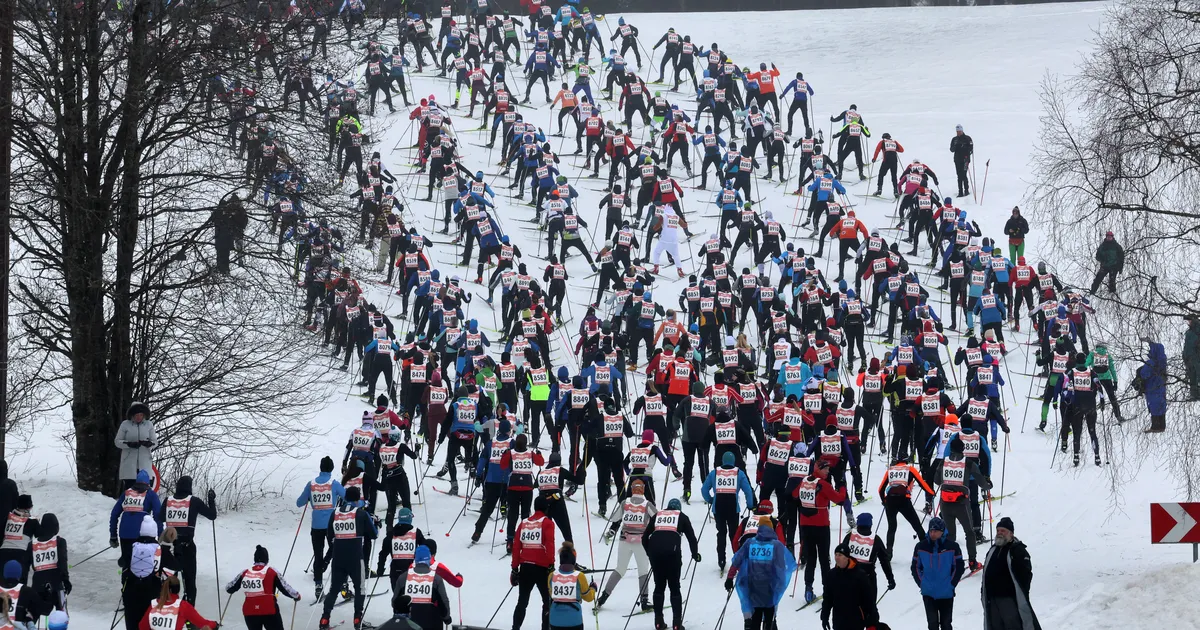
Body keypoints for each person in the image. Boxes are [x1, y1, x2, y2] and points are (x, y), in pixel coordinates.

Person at [319, 486, 378, 630]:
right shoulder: (361, 513)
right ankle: (358, 619)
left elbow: (329, 534)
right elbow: (374, 534)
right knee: (360, 588)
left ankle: (324, 619)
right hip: (355, 557)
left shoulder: (335, 512)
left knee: (334, 589)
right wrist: (375, 524)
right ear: (358, 499)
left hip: (338, 556)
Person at [724, 516, 796, 630]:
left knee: (755, 619)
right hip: (770, 590)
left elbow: (737, 560)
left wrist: (729, 578)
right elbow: (781, 568)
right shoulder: (776, 545)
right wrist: (780, 585)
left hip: (753, 589)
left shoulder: (750, 543)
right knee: (769, 620)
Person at [159, 476, 217, 605]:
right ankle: (189, 613)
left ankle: (165, 608)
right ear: (189, 487)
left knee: (167, 580)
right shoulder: (194, 501)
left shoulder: (168, 500)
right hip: (187, 547)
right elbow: (212, 515)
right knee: (190, 582)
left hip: (169, 546)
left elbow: (160, 517)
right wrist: (211, 500)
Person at [296, 456, 346, 599]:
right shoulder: (334, 484)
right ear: (331, 468)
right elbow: (348, 497)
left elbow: (299, 502)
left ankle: (318, 585)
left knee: (317, 554)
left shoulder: (311, 484)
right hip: (331, 525)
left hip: (316, 525)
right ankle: (336, 577)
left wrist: (308, 499)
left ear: (320, 467)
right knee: (335, 549)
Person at [981, 518, 1041, 630]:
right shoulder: (992, 550)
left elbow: (1026, 575)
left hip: (1009, 599)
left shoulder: (1018, 550)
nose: (999, 533)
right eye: (998, 530)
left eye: (1002, 531)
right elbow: (986, 574)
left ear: (1011, 533)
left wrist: (1022, 595)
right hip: (992, 599)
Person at [225, 545, 302, 630]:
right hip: (269, 610)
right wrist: (296, 596)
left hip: (250, 611)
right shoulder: (271, 571)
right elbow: (285, 588)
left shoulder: (245, 572)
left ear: (255, 559)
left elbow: (229, 588)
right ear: (267, 559)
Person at [511, 495, 555, 630]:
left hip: (525, 568)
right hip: (541, 569)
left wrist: (514, 569)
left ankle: (515, 627)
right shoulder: (547, 523)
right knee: (547, 602)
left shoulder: (523, 523)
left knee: (522, 602)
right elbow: (550, 545)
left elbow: (516, 546)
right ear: (546, 508)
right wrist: (551, 565)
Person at [911, 517, 964, 630]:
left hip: (946, 592)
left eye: (936, 531)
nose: (933, 533)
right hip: (928, 593)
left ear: (942, 531)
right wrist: (922, 583)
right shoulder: (920, 546)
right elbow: (915, 567)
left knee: (946, 624)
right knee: (932, 624)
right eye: (931, 531)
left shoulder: (953, 547)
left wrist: (951, 584)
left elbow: (959, 567)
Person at [820, 544, 880, 630]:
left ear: (847, 557)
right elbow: (827, 598)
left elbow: (869, 600)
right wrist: (824, 617)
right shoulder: (831, 575)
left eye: (840, 555)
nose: (837, 558)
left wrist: (873, 621)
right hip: (838, 621)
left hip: (856, 621)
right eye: (836, 555)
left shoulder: (860, 575)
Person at [138, 574, 218, 630]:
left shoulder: (154, 604)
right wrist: (214, 624)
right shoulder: (182, 606)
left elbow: (142, 626)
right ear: (178, 590)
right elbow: (202, 623)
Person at [547, 542, 596, 630]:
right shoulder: (579, 576)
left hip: (555, 620)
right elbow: (588, 597)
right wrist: (593, 588)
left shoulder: (552, 575)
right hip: (574, 620)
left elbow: (552, 594)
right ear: (573, 560)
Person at [115, 402, 156, 489]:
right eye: (136, 415)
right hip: (129, 463)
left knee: (144, 490)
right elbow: (117, 441)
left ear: (144, 415)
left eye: (141, 415)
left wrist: (148, 444)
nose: (139, 417)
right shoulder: (125, 424)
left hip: (144, 462)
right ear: (132, 415)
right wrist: (129, 444)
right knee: (129, 489)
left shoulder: (149, 424)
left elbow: (155, 442)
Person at [1135, 337, 1168, 433]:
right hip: (1161, 386)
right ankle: (1162, 426)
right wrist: (1150, 341)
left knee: (1154, 406)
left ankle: (1155, 427)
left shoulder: (1151, 362)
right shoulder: (1162, 362)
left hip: (1152, 387)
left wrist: (1140, 372)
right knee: (1161, 405)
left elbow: (1144, 374)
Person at [1088, 231, 1123, 295]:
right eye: (1108, 237)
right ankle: (1092, 292)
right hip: (1105, 266)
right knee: (1097, 279)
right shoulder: (1103, 246)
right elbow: (1097, 256)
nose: (1109, 238)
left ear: (1112, 237)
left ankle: (1112, 295)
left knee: (1112, 281)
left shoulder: (1117, 246)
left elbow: (1121, 257)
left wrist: (1120, 268)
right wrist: (1103, 259)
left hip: (1114, 266)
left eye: (1110, 237)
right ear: (1106, 237)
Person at [948, 125, 973, 198]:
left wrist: (964, 147)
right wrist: (956, 146)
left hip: (965, 159)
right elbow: (951, 149)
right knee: (959, 175)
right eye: (957, 131)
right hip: (957, 159)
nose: (958, 133)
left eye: (959, 131)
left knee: (964, 174)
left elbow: (971, 148)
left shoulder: (967, 138)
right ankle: (960, 191)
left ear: (962, 131)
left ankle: (966, 190)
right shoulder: (954, 139)